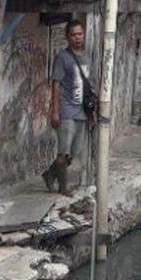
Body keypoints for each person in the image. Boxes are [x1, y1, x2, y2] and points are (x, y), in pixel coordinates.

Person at [42, 20, 92, 196]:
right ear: (67, 37)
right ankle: (63, 187)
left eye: (80, 34)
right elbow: (56, 84)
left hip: (82, 111)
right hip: (66, 109)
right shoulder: (63, 57)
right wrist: (55, 111)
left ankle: (49, 174)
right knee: (63, 151)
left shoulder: (86, 57)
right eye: (73, 35)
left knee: (74, 152)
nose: (77, 38)